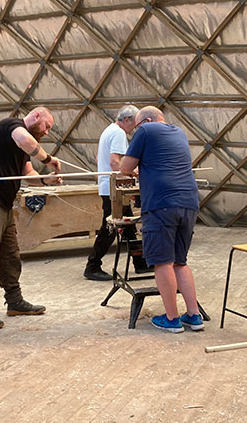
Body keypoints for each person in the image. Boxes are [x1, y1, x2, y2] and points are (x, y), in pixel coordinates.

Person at [0, 107, 62, 330]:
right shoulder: (11, 127)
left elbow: (29, 176)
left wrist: (46, 181)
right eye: (47, 126)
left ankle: (14, 301)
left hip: (3, 203)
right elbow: (25, 140)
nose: (46, 132)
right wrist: (48, 159)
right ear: (36, 116)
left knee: (10, 254)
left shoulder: (23, 147)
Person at [120, 106, 203, 333]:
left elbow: (125, 168)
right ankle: (194, 316)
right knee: (179, 261)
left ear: (146, 120)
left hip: (161, 204)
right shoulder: (178, 132)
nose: (136, 130)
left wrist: (131, 169)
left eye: (136, 126)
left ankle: (172, 318)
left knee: (162, 262)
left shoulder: (146, 130)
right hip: (188, 202)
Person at [83, 104, 148, 281]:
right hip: (114, 189)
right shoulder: (119, 133)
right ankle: (92, 265)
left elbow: (99, 158)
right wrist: (132, 173)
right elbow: (114, 162)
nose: (134, 129)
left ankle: (140, 264)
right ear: (126, 120)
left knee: (128, 226)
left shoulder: (108, 130)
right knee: (110, 228)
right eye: (133, 124)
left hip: (109, 187)